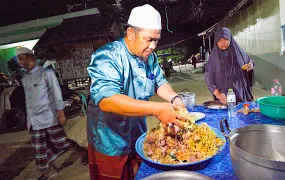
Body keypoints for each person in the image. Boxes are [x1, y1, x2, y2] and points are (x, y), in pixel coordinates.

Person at [86, 4, 186, 180]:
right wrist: (158, 109)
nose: (153, 46)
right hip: (110, 137)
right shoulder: (108, 56)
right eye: (148, 39)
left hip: (137, 131)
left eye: (156, 40)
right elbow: (107, 100)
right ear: (131, 33)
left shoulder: (149, 57)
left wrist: (174, 98)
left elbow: (159, 82)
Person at [16, 47, 87, 180]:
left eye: (21, 58)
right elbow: (28, 100)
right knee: (39, 148)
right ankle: (48, 170)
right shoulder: (25, 78)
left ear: (29, 57)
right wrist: (28, 121)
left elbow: (56, 93)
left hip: (49, 117)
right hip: (34, 120)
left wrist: (60, 112)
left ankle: (83, 152)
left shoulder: (46, 73)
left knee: (61, 142)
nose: (20, 62)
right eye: (18, 59)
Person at [205, 27, 254, 104]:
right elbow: (209, 78)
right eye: (219, 41)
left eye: (225, 39)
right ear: (216, 42)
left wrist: (251, 65)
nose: (223, 43)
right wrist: (218, 94)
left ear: (230, 39)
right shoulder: (213, 58)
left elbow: (249, 62)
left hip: (241, 93)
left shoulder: (239, 52)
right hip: (223, 97)